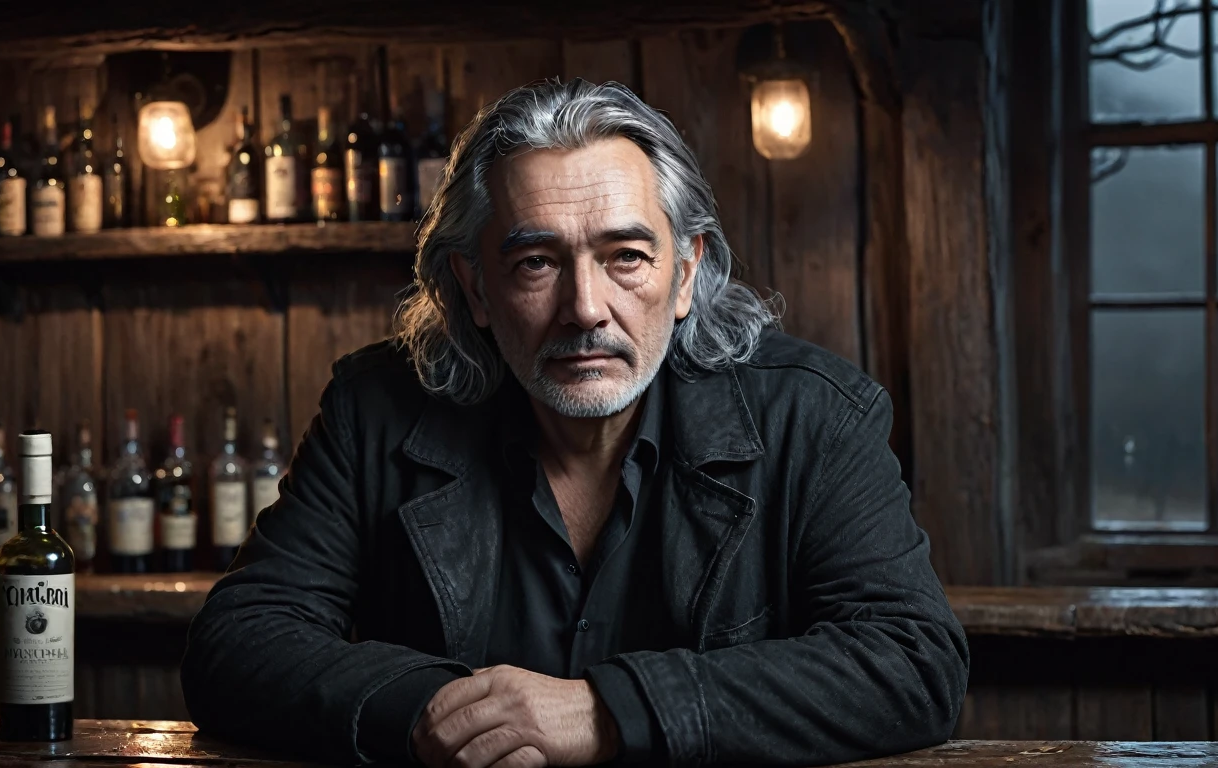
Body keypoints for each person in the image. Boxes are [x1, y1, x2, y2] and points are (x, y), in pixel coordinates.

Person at [180, 78, 968, 768]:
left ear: (685, 273)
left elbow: (912, 663)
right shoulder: (376, 409)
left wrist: (604, 712)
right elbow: (238, 643)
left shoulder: (815, 416)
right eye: (536, 263)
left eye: (626, 256)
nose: (585, 309)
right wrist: (436, 714)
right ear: (476, 288)